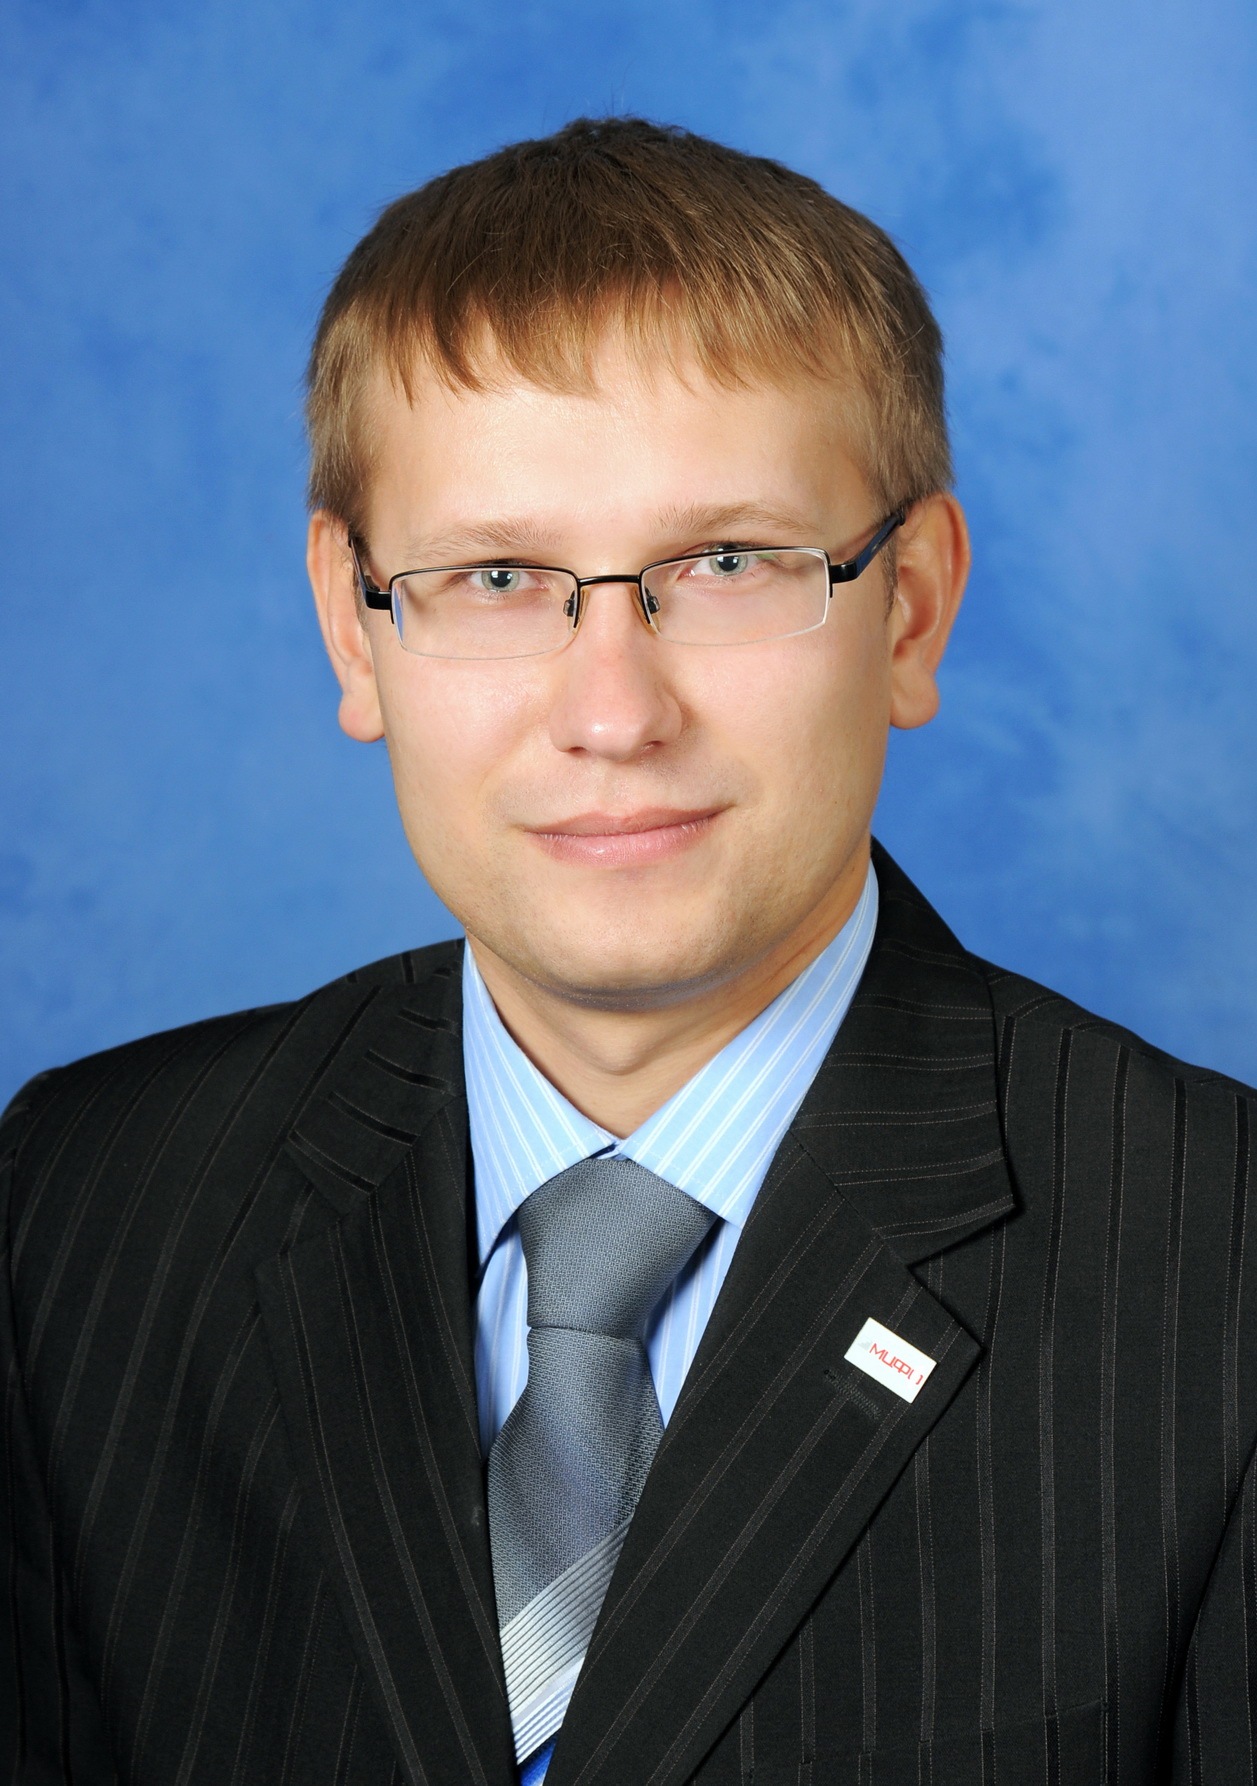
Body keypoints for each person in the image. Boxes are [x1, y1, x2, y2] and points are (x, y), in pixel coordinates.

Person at [1, 116, 1253, 1786]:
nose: (611, 711)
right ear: (352, 626)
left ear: (909, 608)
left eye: (726, 563)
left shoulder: (1218, 1277)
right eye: (495, 575)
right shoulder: (81, 1212)